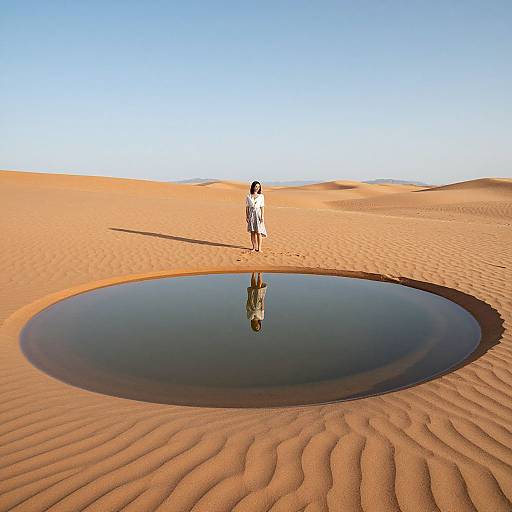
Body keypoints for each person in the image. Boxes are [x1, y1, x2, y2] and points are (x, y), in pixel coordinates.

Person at [246, 181, 267, 252]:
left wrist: (262, 216)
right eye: (256, 186)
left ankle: (259, 248)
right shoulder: (248, 196)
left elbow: (262, 207)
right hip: (251, 214)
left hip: (258, 214)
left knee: (259, 232)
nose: (257, 188)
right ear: (253, 187)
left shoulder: (261, 196)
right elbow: (247, 207)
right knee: (252, 232)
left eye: (258, 187)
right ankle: (254, 248)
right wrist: (247, 216)